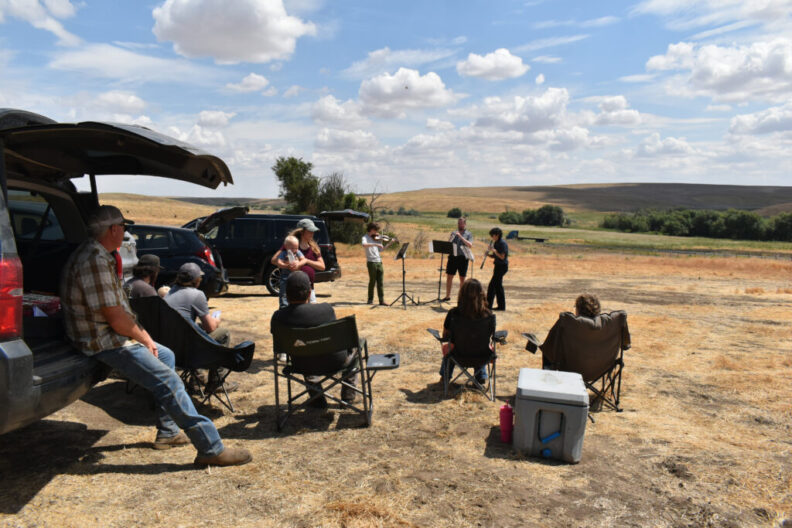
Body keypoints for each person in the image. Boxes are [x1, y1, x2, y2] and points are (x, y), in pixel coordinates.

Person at [60, 205, 250, 467]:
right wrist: (146, 340)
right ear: (113, 229)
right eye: (123, 227)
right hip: (104, 341)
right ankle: (210, 447)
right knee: (170, 381)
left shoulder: (98, 255)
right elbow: (116, 318)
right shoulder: (94, 261)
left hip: (107, 335)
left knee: (167, 355)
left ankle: (168, 432)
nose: (125, 232)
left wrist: (145, 338)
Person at [270, 271, 357, 407]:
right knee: (355, 348)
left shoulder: (278, 317)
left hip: (301, 364)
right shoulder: (326, 310)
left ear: (286, 294)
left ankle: (317, 399)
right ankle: (348, 398)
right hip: (336, 361)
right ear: (309, 293)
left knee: (305, 350)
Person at [439, 278, 493, 385]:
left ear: (461, 294)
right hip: (481, 355)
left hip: (457, 355)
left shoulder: (453, 313)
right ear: (482, 295)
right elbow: (489, 336)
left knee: (450, 347)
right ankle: (480, 376)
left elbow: (445, 336)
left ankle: (445, 376)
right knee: (480, 345)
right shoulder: (488, 315)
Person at [165, 262, 229, 346]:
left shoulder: (170, 291)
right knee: (224, 333)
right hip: (184, 342)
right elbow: (210, 328)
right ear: (197, 280)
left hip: (168, 339)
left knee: (199, 326)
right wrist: (216, 320)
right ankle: (217, 358)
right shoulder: (197, 294)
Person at [289, 218, 326, 303]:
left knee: (312, 312)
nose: (312, 233)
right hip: (297, 289)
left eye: (313, 231)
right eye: (310, 231)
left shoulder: (314, 248)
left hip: (310, 289)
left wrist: (306, 261)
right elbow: (293, 268)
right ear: (302, 232)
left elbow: (322, 266)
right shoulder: (294, 247)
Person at [270, 235, 307, 309]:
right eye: (292, 248)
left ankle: (296, 306)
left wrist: (298, 263)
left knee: (296, 291)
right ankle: (283, 306)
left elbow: (304, 260)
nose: (295, 250)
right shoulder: (284, 253)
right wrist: (286, 266)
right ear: (286, 247)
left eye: (296, 248)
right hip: (285, 276)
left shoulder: (298, 252)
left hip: (296, 276)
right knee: (283, 292)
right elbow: (279, 262)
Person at [443, 217, 474, 302]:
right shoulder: (454, 233)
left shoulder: (468, 234)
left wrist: (460, 236)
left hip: (463, 258)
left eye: (461, 223)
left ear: (465, 224)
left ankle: (461, 298)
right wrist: (450, 239)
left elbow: (470, 245)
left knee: (462, 278)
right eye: (459, 223)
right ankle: (447, 296)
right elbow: (448, 244)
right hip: (453, 257)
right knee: (449, 276)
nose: (460, 225)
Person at [361, 222, 388, 305]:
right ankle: (370, 299)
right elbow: (364, 245)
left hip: (379, 261)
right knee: (372, 281)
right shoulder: (365, 237)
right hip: (371, 262)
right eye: (375, 230)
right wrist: (375, 243)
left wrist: (384, 243)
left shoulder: (377, 238)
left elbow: (381, 250)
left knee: (380, 282)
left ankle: (381, 300)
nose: (377, 232)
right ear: (372, 229)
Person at [485, 227, 508, 311]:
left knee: (493, 286)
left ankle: (491, 306)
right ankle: (498, 306)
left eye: (492, 235)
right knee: (497, 286)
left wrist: (494, 251)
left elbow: (502, 257)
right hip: (497, 266)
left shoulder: (502, 243)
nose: (492, 237)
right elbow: (496, 256)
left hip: (502, 267)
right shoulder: (496, 243)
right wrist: (489, 254)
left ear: (497, 235)